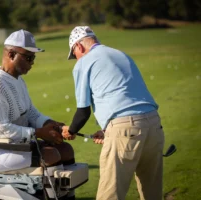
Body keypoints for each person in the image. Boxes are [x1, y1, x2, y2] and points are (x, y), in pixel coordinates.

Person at [61, 26, 165, 200]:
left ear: (78, 47)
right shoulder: (121, 54)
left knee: (109, 195)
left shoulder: (83, 63)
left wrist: (70, 130)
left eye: (74, 54)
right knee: (152, 194)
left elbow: (83, 112)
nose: (75, 59)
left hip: (125, 130)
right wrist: (107, 129)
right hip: (154, 125)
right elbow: (128, 97)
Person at [0, 29, 75, 199]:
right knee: (52, 155)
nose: (32, 62)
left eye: (33, 58)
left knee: (66, 150)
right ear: (11, 54)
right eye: (28, 57)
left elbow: (31, 113)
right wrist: (38, 133)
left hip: (14, 145)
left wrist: (52, 124)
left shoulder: (18, 80)